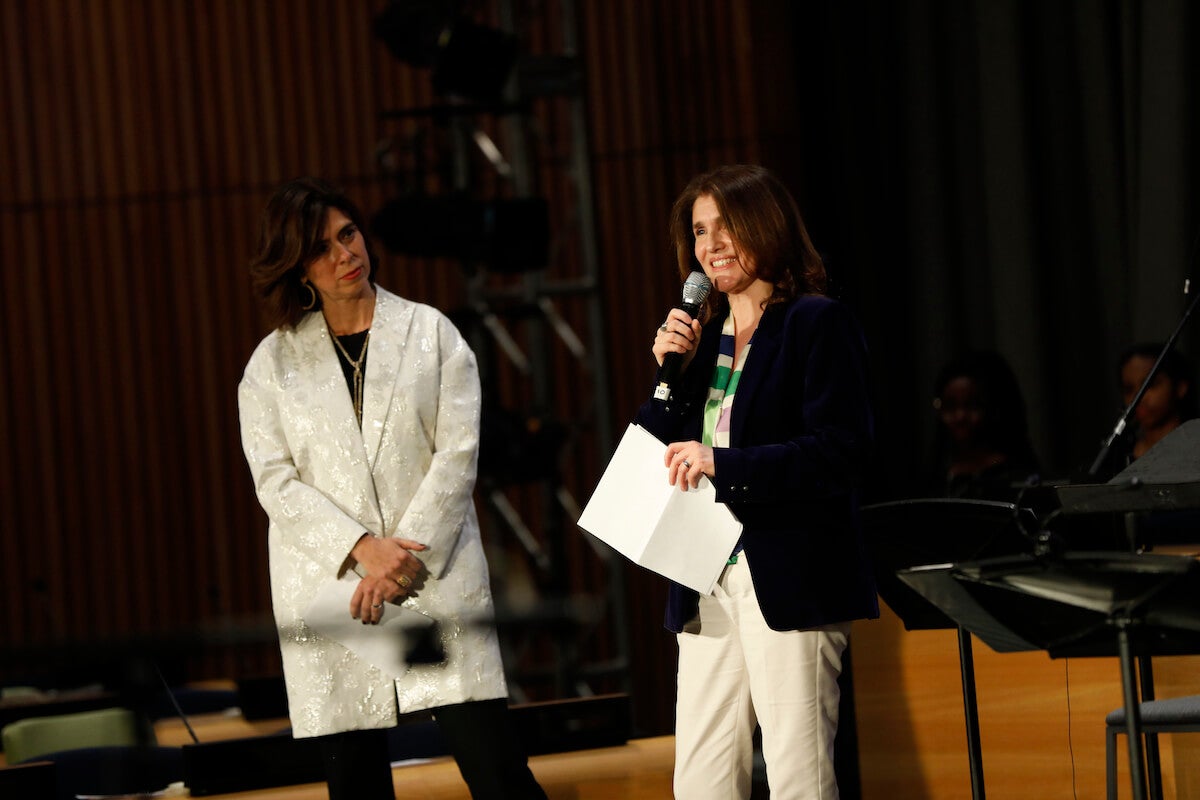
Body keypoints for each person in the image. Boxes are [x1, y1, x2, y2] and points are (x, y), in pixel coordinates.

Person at [237, 177, 546, 800]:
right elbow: (274, 480)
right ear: (299, 268)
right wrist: (360, 549)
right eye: (322, 248)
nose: (344, 255)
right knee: (356, 784)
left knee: (498, 771)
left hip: (431, 575)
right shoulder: (271, 365)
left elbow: (458, 456)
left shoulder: (432, 333)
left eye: (347, 234)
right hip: (338, 593)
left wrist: (396, 558)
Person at [634, 164, 878, 799]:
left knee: (801, 778)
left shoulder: (815, 323)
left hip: (788, 573)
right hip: (706, 573)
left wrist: (726, 463)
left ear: (764, 228)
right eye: (699, 231)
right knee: (701, 784)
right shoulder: (704, 340)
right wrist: (668, 374)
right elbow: (651, 450)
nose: (709, 246)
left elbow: (841, 452)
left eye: (725, 227)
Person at [925, 349, 1041, 502]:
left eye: (972, 405)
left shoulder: (1018, 478)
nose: (960, 416)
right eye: (950, 406)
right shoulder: (936, 476)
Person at [1116, 342, 1197, 462]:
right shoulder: (1118, 455)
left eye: (1150, 385)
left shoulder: (1195, 449)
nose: (1138, 396)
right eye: (1129, 389)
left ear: (1180, 387)